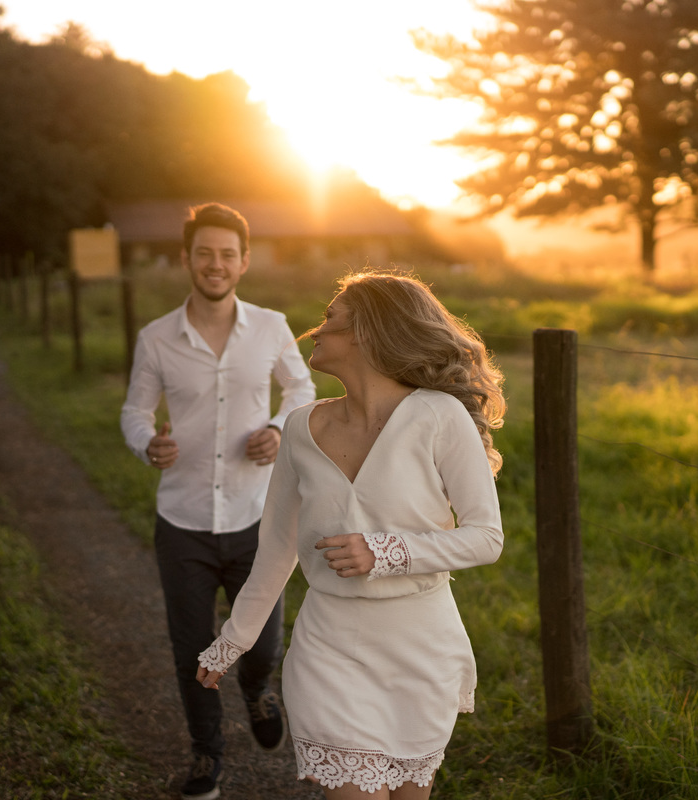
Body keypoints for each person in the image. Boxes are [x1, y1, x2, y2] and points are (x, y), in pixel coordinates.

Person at [197, 271, 506, 799]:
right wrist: (233, 640)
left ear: (368, 332)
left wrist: (386, 552)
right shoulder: (298, 428)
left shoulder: (439, 416)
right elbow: (275, 551)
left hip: (420, 648)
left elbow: (486, 537)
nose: (315, 331)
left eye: (331, 320)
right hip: (329, 647)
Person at [120, 203, 316, 800]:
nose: (215, 264)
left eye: (227, 254)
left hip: (258, 517)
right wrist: (145, 442)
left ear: (244, 262)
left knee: (259, 640)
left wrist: (281, 427)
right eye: (204, 253)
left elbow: (302, 387)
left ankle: (258, 688)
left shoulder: (272, 326)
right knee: (191, 647)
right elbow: (134, 411)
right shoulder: (156, 338)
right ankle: (207, 756)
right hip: (181, 523)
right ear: (186, 259)